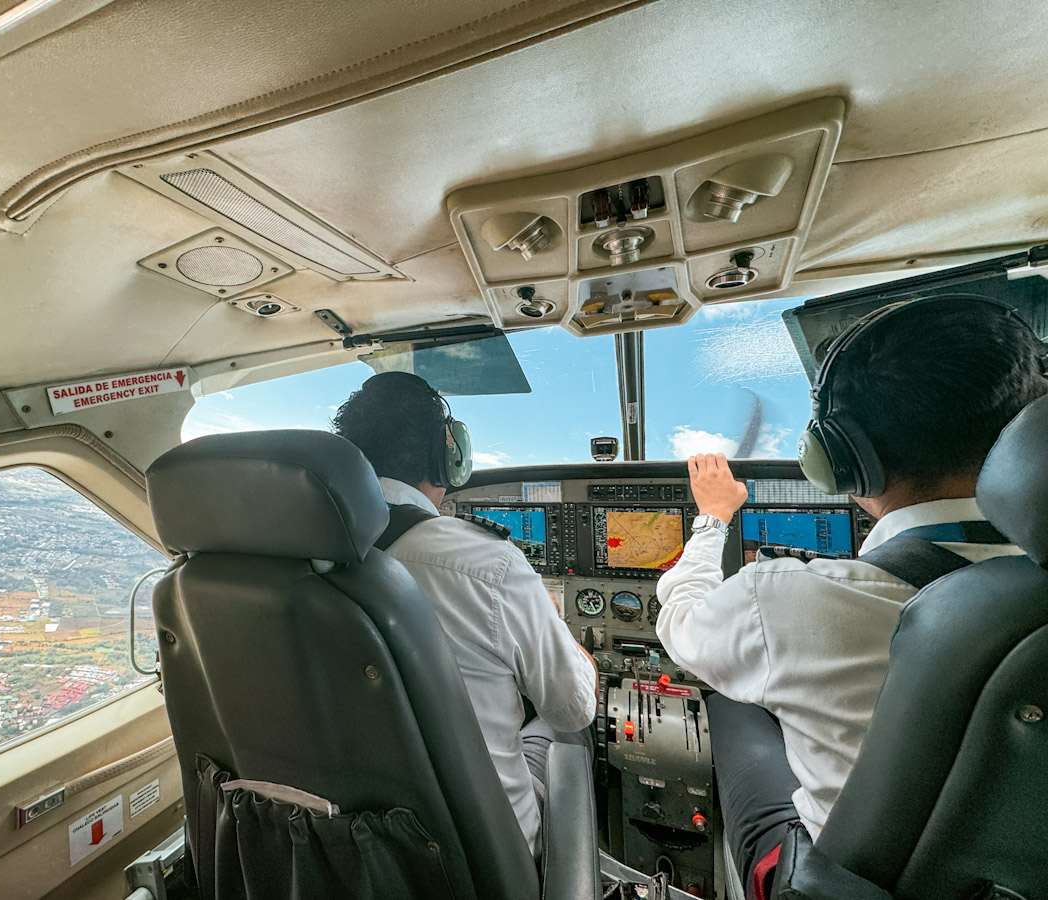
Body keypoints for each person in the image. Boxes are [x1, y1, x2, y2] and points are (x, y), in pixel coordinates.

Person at [654, 297, 1048, 896]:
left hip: (836, 876)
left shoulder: (787, 602)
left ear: (841, 459)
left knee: (728, 703)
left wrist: (712, 519)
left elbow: (681, 623)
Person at [332, 371, 599, 858]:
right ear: (445, 457)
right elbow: (573, 707)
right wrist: (562, 635)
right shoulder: (489, 564)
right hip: (490, 858)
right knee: (563, 729)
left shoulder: (306, 556)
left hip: (357, 846)